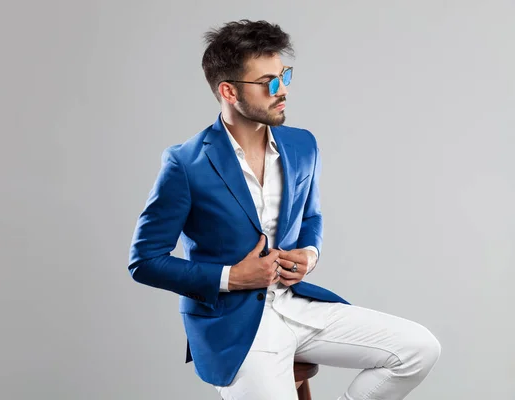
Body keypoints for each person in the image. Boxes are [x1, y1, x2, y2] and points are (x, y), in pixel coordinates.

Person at [128, 19, 441, 400]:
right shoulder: (185, 163)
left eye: (284, 76)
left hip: (298, 306)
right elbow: (144, 261)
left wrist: (309, 254)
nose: (283, 90)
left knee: (419, 349)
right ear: (229, 90)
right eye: (268, 82)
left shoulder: (302, 145)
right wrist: (232, 276)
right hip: (233, 325)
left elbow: (311, 217)